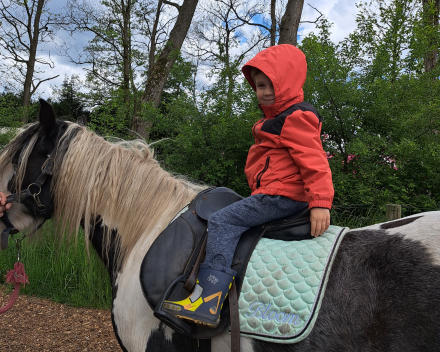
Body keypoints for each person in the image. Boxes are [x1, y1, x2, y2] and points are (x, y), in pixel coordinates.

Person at [163, 44, 334, 328]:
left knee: (222, 221)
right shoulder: (274, 120)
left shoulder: (295, 116)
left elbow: (314, 159)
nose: (263, 92)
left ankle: (208, 301)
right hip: (275, 192)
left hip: (282, 196)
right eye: (258, 86)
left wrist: (320, 202)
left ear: (287, 82)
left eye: (269, 85)